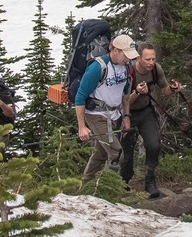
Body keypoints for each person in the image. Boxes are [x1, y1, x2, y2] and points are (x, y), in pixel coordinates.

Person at [120, 42, 182, 198]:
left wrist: (173, 89)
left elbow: (164, 89)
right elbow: (124, 101)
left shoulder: (156, 69)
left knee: (154, 145)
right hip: (128, 114)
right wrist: (137, 93)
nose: (151, 62)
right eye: (147, 59)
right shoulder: (129, 72)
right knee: (126, 152)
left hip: (146, 112)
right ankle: (123, 183)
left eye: (153, 59)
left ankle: (150, 179)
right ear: (139, 58)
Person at [76, 34, 136, 184]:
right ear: (115, 50)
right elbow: (80, 96)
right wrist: (82, 127)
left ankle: (85, 186)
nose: (128, 59)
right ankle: (104, 189)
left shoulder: (126, 67)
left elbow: (125, 94)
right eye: (126, 55)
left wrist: (126, 116)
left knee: (101, 153)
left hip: (114, 114)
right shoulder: (98, 68)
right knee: (116, 154)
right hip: (96, 115)